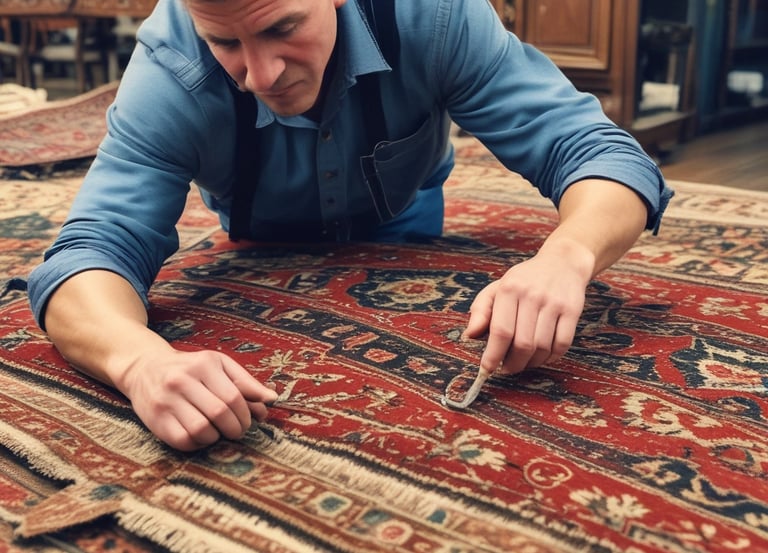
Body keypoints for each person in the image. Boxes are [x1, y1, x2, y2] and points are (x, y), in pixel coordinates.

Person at [28, 0, 673, 451]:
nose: (262, 74)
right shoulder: (169, 69)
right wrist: (139, 361)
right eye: (226, 42)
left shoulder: (436, 15)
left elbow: (601, 154)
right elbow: (91, 250)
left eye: (282, 27)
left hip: (407, 223)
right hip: (258, 250)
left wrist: (566, 257)